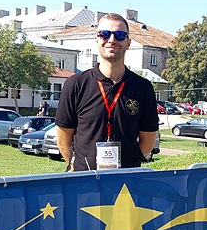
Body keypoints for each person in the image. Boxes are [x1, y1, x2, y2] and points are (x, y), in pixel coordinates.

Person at [55, 13, 159, 171]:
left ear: (128, 42)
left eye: (119, 35)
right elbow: (63, 140)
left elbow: (148, 141)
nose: (112, 40)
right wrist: (79, 168)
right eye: (104, 34)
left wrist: (128, 161)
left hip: (126, 183)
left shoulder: (143, 88)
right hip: (84, 182)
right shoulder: (75, 84)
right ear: (96, 39)